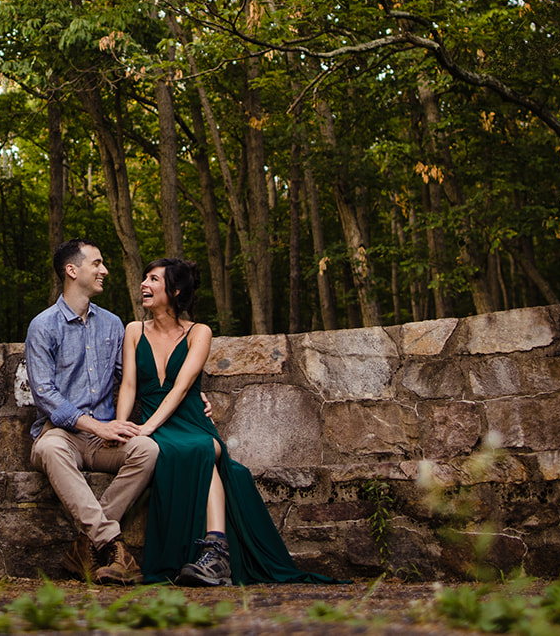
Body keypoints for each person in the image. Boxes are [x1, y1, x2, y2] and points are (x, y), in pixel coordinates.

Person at [118, 257, 337, 586]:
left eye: (153, 280)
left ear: (174, 291)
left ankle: (216, 550)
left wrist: (148, 428)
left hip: (188, 417)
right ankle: (214, 552)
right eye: (144, 278)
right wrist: (123, 427)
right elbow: (129, 385)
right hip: (153, 417)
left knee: (203, 447)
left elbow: (180, 388)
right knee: (199, 458)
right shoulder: (133, 330)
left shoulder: (199, 332)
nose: (143, 285)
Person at [25, 237, 158, 585]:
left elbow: (133, 379)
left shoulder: (113, 324)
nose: (105, 270)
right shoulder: (43, 326)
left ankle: (86, 545)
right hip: (62, 436)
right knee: (50, 447)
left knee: (147, 449)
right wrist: (97, 427)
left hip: (102, 442)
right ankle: (112, 544)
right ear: (72, 270)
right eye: (97, 263)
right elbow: (45, 395)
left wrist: (190, 396)